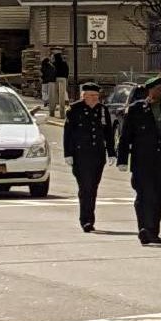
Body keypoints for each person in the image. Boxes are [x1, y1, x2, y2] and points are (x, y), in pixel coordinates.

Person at [116, 76, 161, 245]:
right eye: (159, 89)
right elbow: (126, 135)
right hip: (142, 162)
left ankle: (153, 230)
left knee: (159, 198)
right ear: (150, 90)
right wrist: (122, 158)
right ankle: (144, 228)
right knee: (143, 196)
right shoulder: (136, 110)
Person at [63, 82, 115, 233]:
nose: (94, 99)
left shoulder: (103, 110)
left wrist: (111, 152)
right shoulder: (74, 110)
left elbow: (108, 133)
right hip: (80, 155)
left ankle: (89, 218)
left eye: (96, 96)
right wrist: (68, 154)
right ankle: (86, 220)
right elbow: (68, 134)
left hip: (97, 155)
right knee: (85, 188)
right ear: (83, 96)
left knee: (93, 187)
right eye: (91, 96)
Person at [52, 53, 70, 117]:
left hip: (56, 79)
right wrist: (66, 77)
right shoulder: (64, 63)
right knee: (62, 94)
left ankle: (52, 111)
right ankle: (62, 113)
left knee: (55, 94)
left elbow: (52, 71)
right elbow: (67, 70)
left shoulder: (53, 63)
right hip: (63, 78)